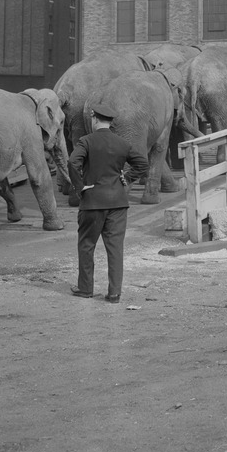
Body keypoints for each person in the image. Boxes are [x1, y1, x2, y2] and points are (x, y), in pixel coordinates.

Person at [68, 103, 149, 304]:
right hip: (118, 203)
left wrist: (80, 187)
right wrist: (127, 178)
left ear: (94, 119)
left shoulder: (86, 141)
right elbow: (143, 164)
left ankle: (86, 289)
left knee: (87, 245)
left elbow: (72, 162)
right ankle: (114, 293)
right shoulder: (122, 143)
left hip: (92, 202)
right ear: (111, 122)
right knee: (115, 249)